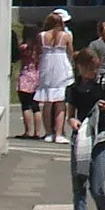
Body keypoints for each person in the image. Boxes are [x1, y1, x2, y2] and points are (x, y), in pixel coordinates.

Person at [64, 46, 105, 210]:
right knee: (79, 186)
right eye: (89, 69)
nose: (93, 73)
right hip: (81, 138)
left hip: (100, 138)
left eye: (95, 69)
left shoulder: (104, 84)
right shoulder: (73, 88)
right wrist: (72, 122)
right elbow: (70, 114)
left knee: (97, 186)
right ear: (79, 67)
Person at [34, 10, 74, 144]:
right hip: (61, 66)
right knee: (60, 102)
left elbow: (38, 52)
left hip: (47, 66)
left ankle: (49, 133)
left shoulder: (41, 36)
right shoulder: (66, 36)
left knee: (47, 102)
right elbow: (70, 53)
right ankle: (58, 133)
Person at [15, 29, 42, 139]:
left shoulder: (23, 48)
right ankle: (37, 132)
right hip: (36, 77)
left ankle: (28, 131)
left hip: (25, 77)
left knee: (25, 106)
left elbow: (18, 57)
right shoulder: (39, 49)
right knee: (36, 107)